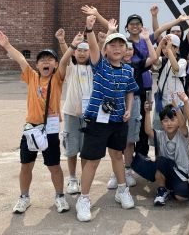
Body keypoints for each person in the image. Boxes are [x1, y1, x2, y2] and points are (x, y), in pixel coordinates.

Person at [0, 29, 72, 215]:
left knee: (54, 166)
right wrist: (7, 45)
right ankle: (24, 197)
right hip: (31, 129)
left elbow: (65, 61)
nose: (46, 62)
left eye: (50, 59)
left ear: (55, 64)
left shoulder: (57, 78)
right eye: (42, 60)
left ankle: (60, 196)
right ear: (37, 65)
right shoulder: (32, 76)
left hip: (50, 130)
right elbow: (21, 60)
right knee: (26, 165)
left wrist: (69, 44)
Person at [75, 15, 139, 222]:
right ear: (107, 49)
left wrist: (128, 109)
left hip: (118, 120)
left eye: (121, 45)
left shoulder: (128, 70)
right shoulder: (100, 65)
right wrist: (89, 29)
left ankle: (122, 190)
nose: (117, 48)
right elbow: (94, 47)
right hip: (97, 120)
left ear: (126, 49)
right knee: (93, 160)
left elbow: (130, 91)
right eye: (113, 45)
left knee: (117, 155)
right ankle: (83, 199)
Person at [105, 20, 158, 190]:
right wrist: (110, 32)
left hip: (134, 102)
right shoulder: (111, 64)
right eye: (124, 48)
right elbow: (100, 53)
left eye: (130, 49)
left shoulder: (137, 65)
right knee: (115, 139)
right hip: (115, 102)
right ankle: (116, 172)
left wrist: (147, 39)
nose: (127, 51)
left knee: (129, 140)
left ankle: (127, 171)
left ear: (133, 51)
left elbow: (154, 58)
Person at [56, 28, 92, 195]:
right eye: (79, 50)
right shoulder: (70, 67)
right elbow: (65, 59)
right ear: (74, 53)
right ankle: (72, 178)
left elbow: (98, 52)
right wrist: (64, 42)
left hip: (89, 115)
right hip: (71, 114)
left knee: (86, 149)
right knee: (71, 149)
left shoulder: (94, 68)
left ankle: (85, 178)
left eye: (85, 50)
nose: (82, 53)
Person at [142, 91, 189, 206]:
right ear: (161, 123)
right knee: (160, 161)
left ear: (178, 121)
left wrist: (176, 106)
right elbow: (148, 131)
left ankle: (172, 189)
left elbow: (183, 124)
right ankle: (162, 190)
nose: (169, 123)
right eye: (165, 120)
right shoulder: (161, 135)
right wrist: (147, 112)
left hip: (181, 173)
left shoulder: (182, 134)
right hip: (167, 169)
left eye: (172, 119)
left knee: (181, 197)